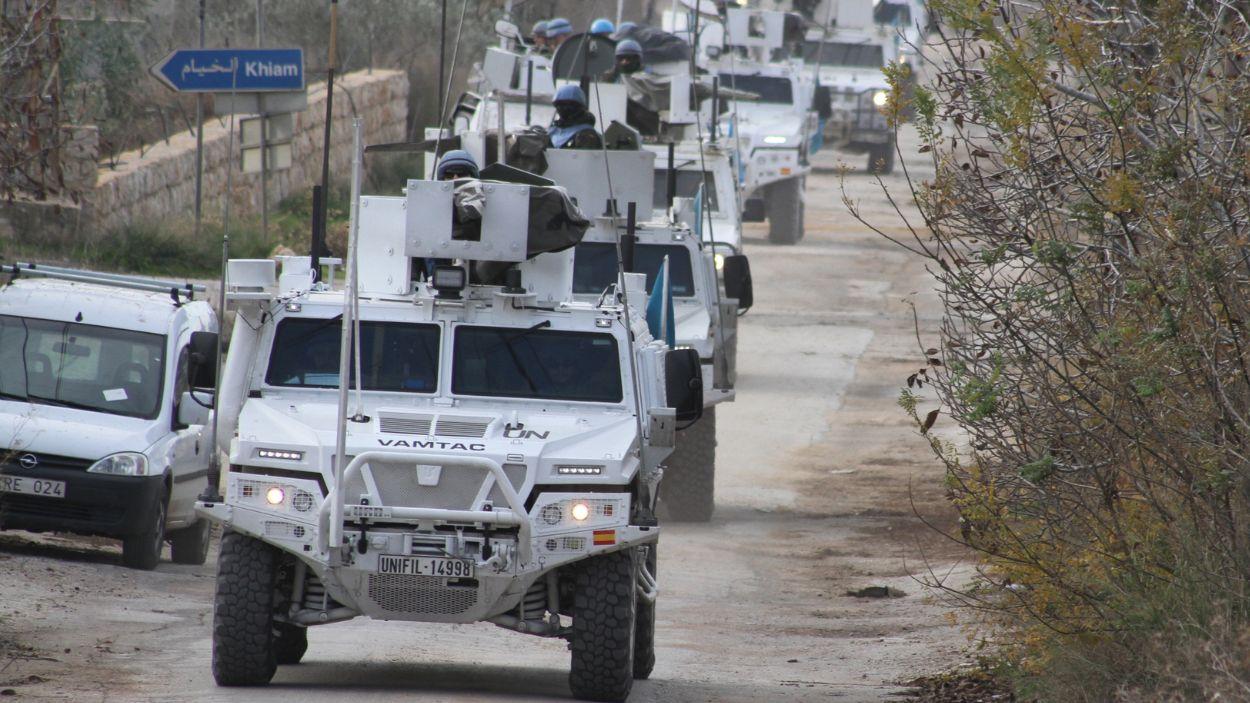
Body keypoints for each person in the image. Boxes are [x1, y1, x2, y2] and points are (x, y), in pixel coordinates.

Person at [548, 85, 603, 149]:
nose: (561, 108)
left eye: (566, 104)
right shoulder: (552, 131)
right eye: (558, 105)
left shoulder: (587, 135)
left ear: (579, 107)